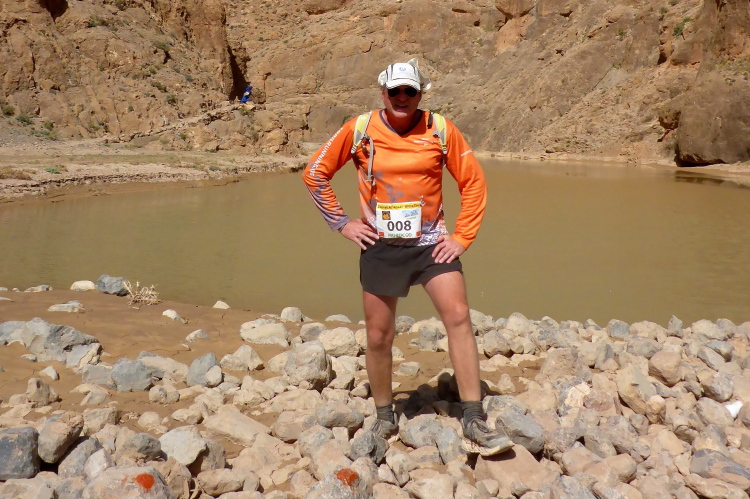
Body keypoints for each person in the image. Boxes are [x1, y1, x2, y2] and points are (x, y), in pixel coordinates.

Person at [302, 59, 512, 456]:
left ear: (420, 93)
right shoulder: (360, 129)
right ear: (382, 92)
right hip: (380, 246)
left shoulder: (440, 129)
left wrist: (462, 237)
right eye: (395, 91)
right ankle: (385, 415)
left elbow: (473, 182)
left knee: (459, 316)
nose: (402, 97)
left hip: (431, 244)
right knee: (379, 335)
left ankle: (473, 416)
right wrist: (342, 223)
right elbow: (315, 173)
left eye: (410, 91)